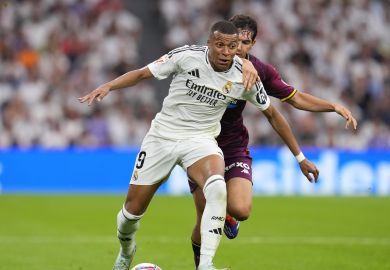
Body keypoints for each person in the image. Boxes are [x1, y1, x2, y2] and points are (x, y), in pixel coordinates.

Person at [78, 20, 318, 270]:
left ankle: (206, 265)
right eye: (220, 45)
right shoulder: (186, 57)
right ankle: (127, 251)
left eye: (232, 46)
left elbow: (273, 115)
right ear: (209, 44)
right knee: (131, 213)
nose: (226, 51)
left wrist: (300, 158)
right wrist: (108, 86)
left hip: (200, 140)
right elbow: (141, 74)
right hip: (163, 137)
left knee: (217, 188)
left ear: (238, 48)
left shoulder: (245, 78)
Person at [189, 14, 359, 268]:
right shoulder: (206, 60)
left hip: (233, 146)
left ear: (253, 43)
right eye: (235, 41)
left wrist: (331, 106)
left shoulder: (260, 72)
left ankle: (228, 216)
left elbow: (294, 99)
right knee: (205, 214)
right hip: (199, 143)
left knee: (242, 210)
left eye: (245, 43)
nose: (238, 48)